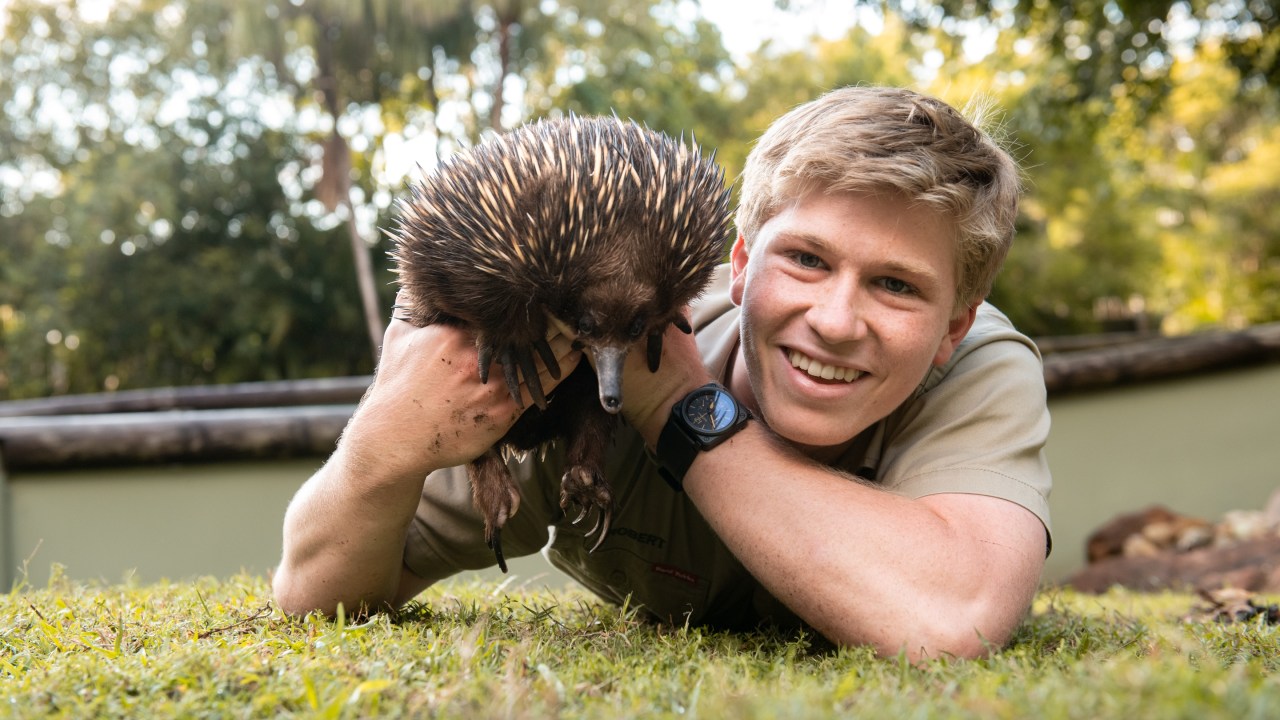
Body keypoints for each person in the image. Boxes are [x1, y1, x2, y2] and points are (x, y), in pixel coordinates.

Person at [272, 86, 1052, 661]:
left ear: (954, 324)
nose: (837, 322)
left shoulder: (979, 369)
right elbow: (321, 598)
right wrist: (379, 447)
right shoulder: (554, 355)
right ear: (738, 265)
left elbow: (956, 620)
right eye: (806, 259)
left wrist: (678, 404)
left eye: (896, 284)